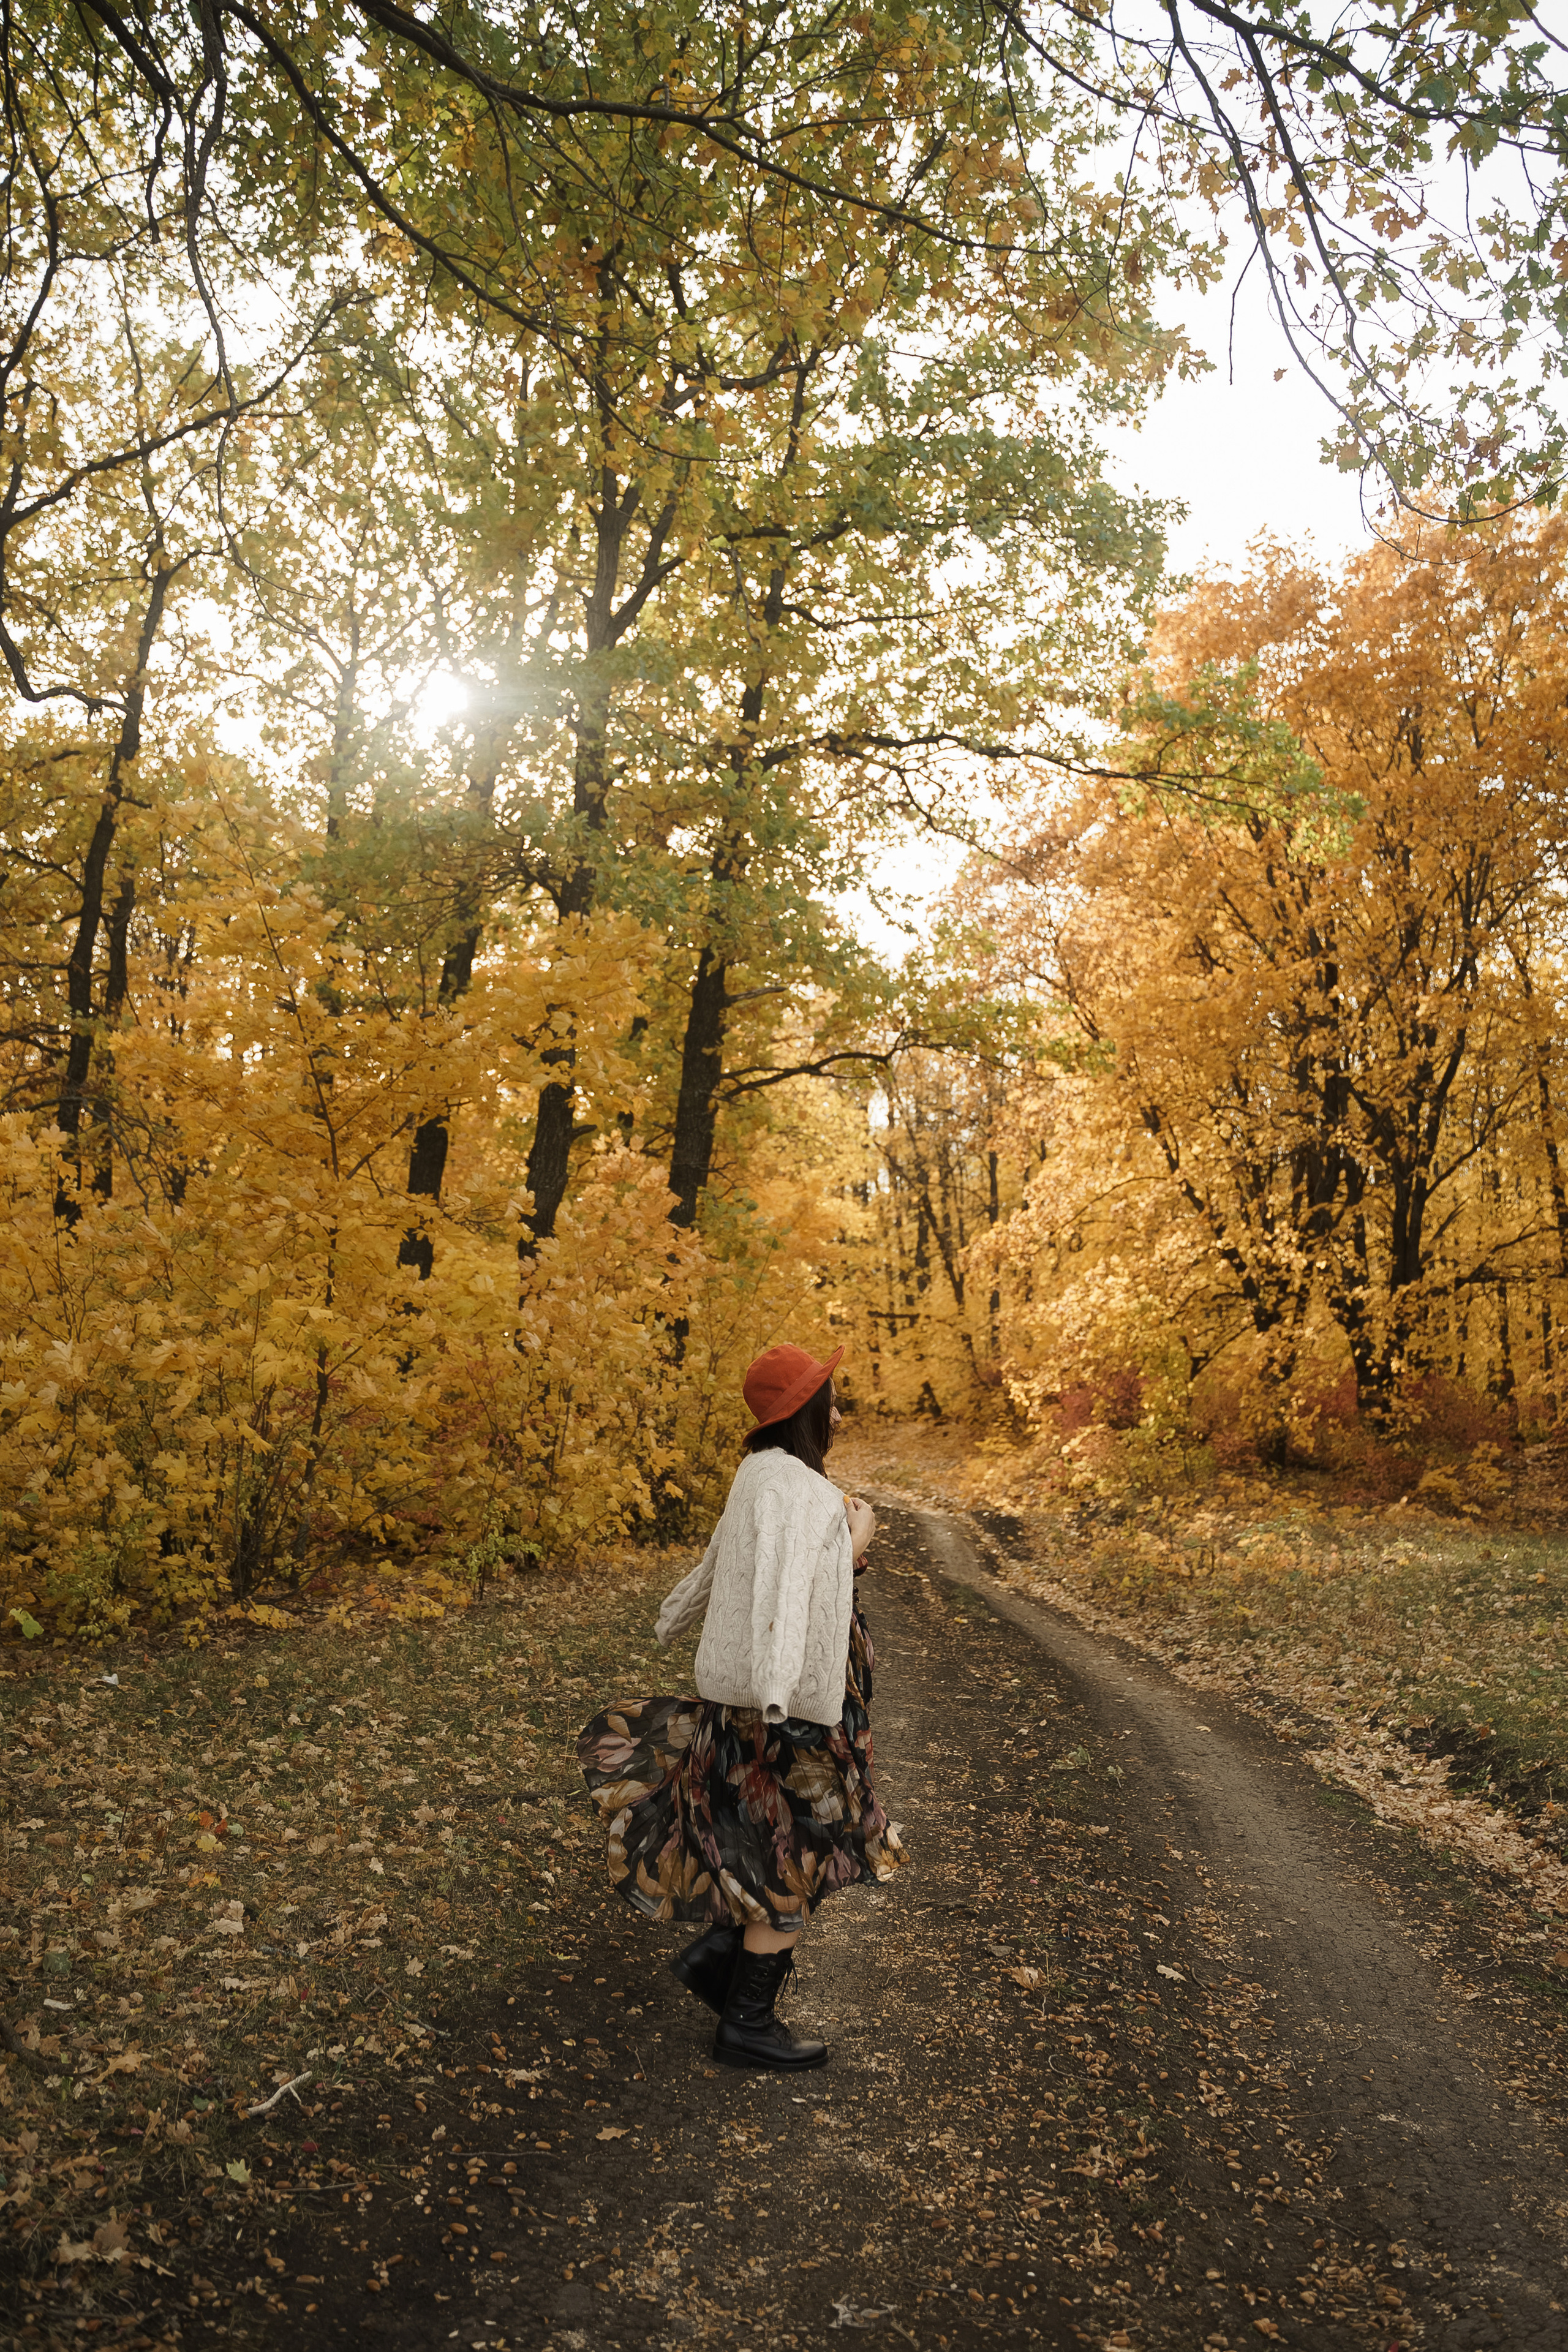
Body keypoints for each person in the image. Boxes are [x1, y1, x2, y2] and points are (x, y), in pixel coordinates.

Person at [578, 1341, 904, 2071]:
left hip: (757, 1699)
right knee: (800, 1849)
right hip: (786, 1708)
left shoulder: (758, 1474)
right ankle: (746, 2021)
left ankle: (724, 1960)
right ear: (805, 1413)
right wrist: (852, 1547)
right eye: (832, 1400)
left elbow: (725, 1563)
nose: (841, 1412)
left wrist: (677, 1613)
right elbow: (793, 1596)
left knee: (785, 1843)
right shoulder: (799, 1490)